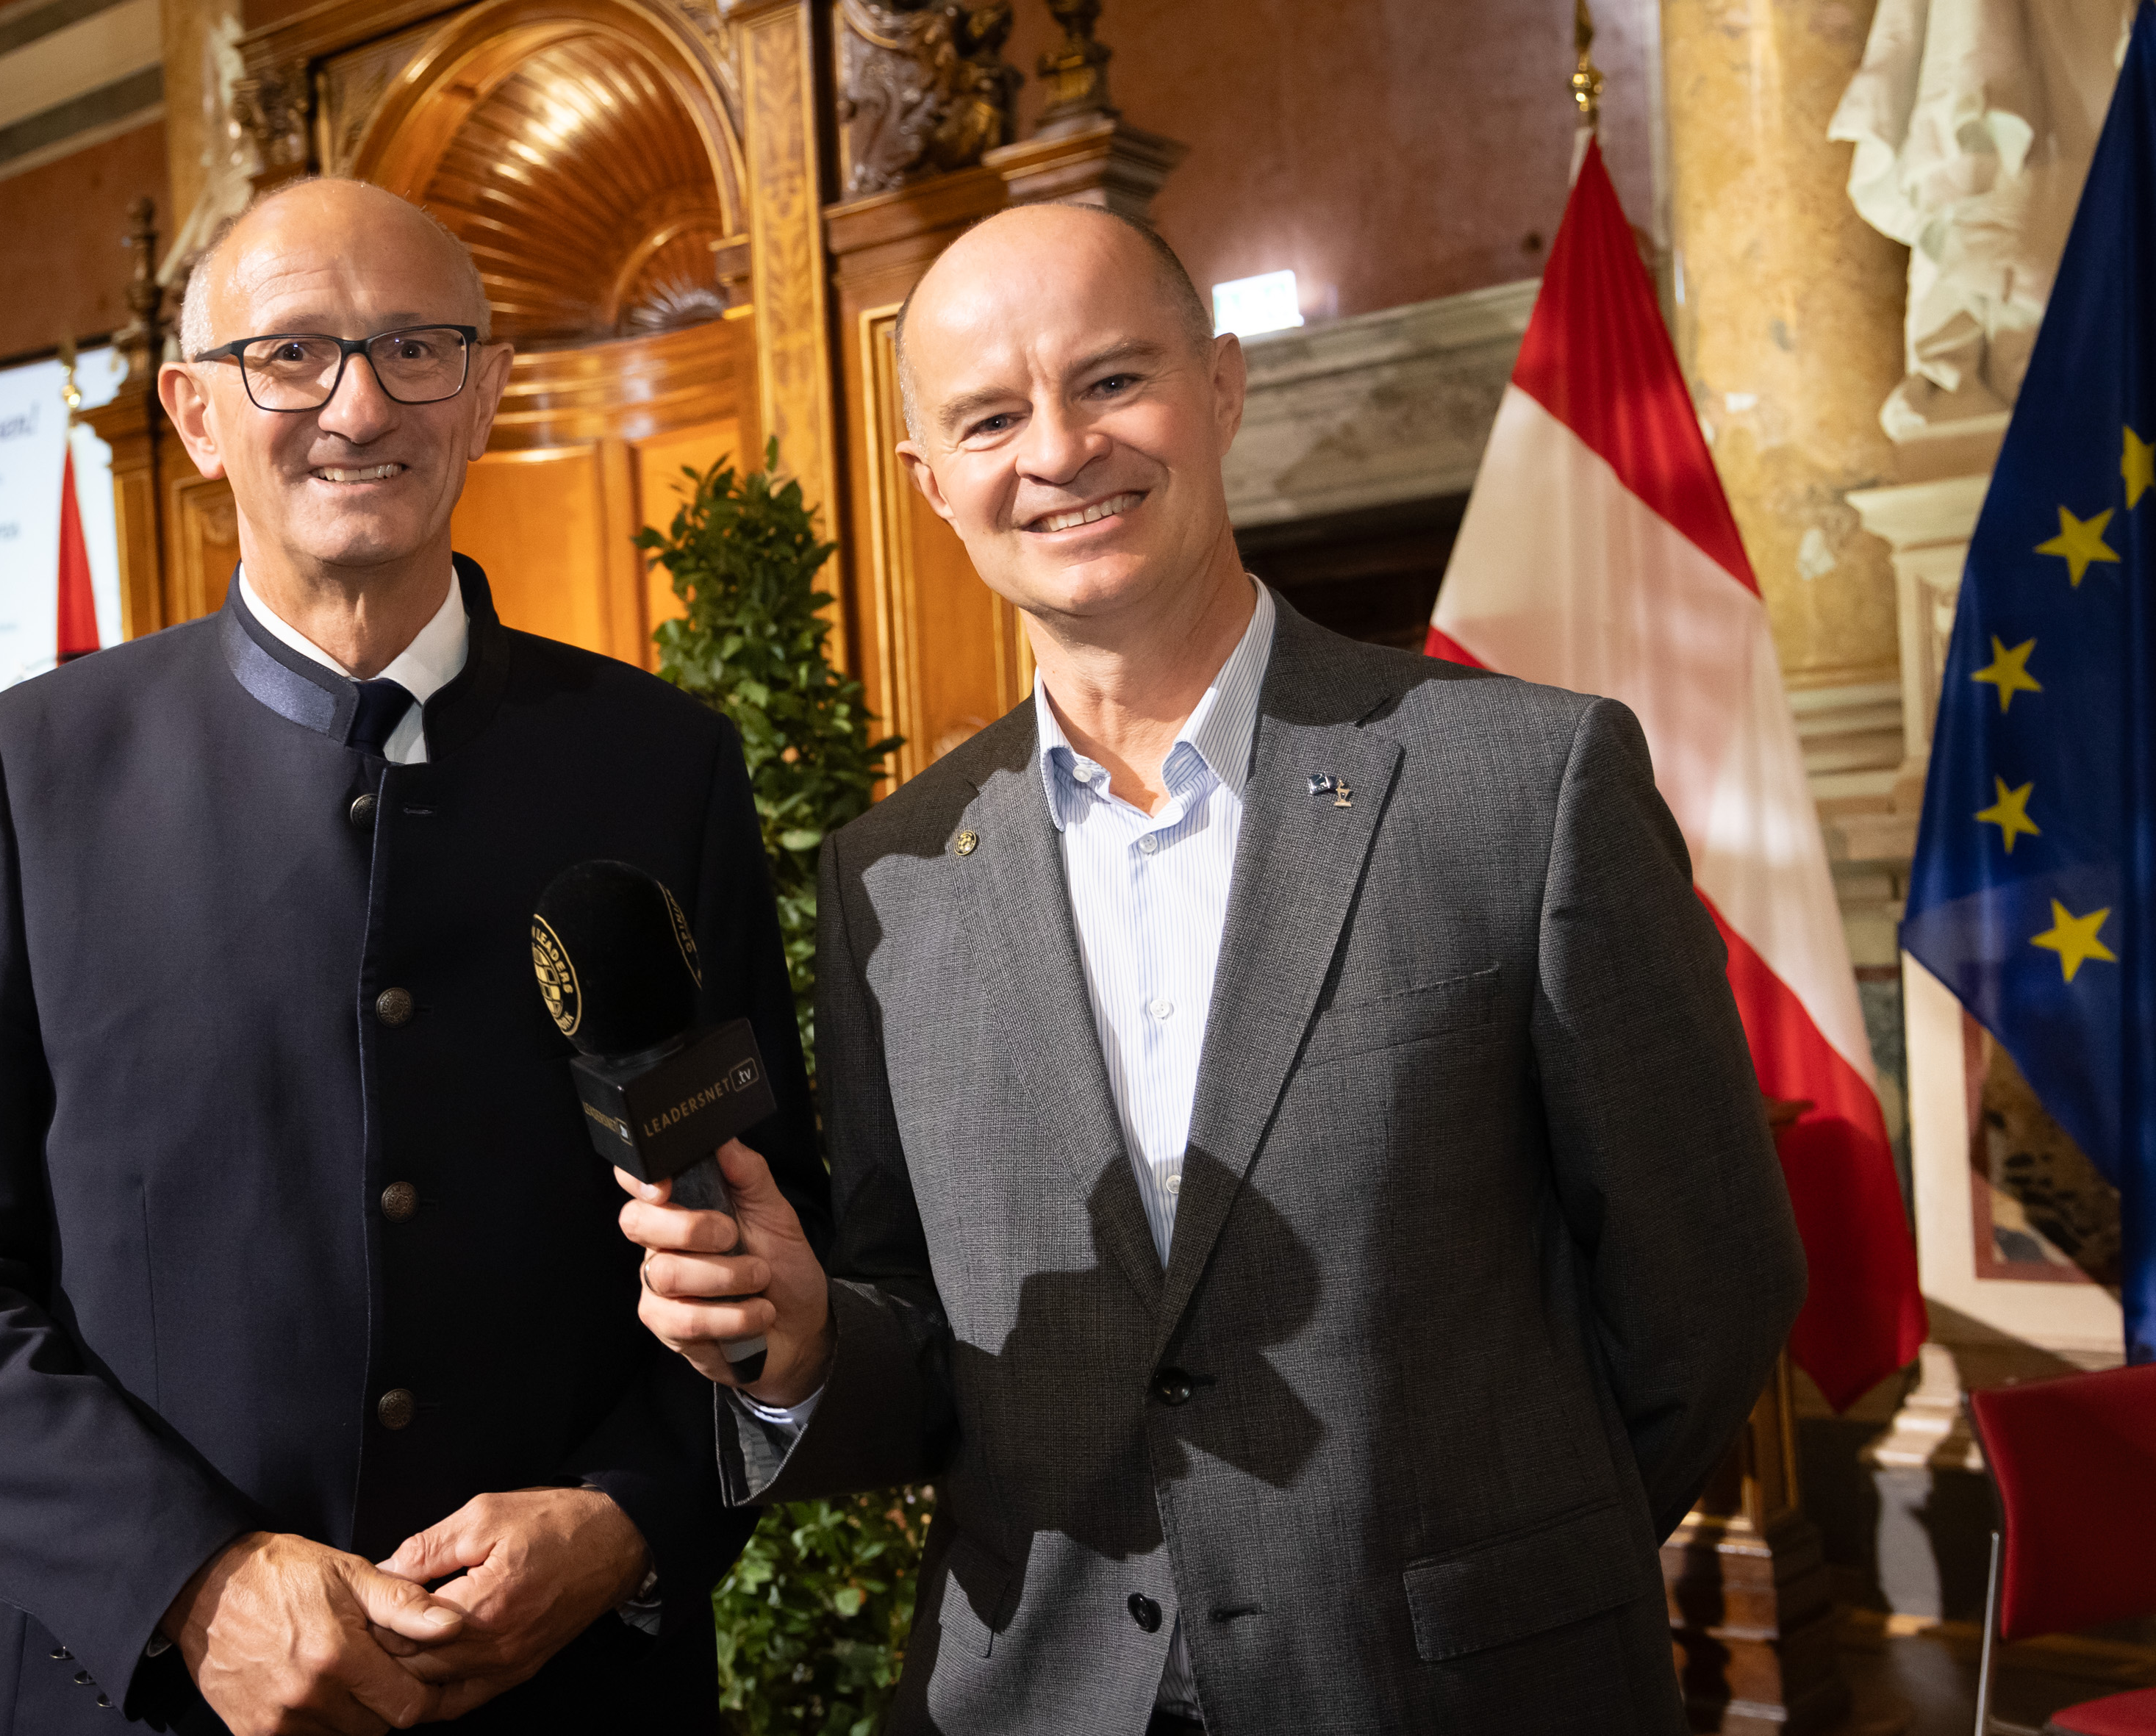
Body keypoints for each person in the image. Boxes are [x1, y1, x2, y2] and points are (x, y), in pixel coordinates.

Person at [615, 201, 1808, 1735]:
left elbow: (1707, 1284)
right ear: (930, 482)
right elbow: (934, 1337)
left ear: (1223, 386)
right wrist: (808, 1340)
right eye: (990, 417)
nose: (1059, 450)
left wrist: (1505, 1566)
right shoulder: (889, 878)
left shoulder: (1523, 784)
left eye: (1112, 380)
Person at [0, 176, 825, 1736]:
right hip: (149, 1696)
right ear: (195, 415)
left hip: (573, 1693)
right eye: (289, 354)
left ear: (485, 391)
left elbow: (761, 1229)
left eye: (415, 348)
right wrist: (190, 1579)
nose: (358, 406)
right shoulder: (41, 770)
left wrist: (629, 1515)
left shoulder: (656, 766)